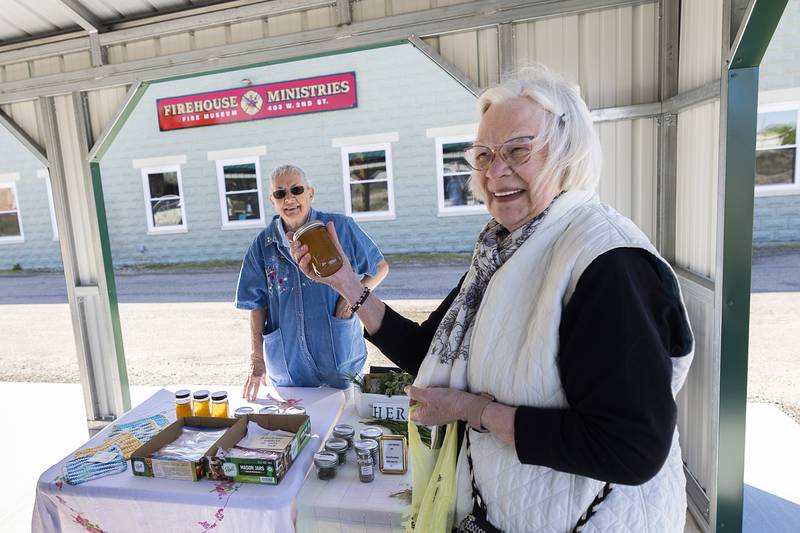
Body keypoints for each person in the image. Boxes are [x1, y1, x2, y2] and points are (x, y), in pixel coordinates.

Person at [291, 65, 694, 532]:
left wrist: (472, 412)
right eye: (483, 155)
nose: (496, 171)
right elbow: (430, 350)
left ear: (567, 155)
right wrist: (347, 285)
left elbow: (631, 447)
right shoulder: (505, 250)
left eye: (518, 151)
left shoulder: (606, 262)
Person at [236, 164, 388, 399]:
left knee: (343, 425)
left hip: (339, 356)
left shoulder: (339, 228)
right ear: (272, 200)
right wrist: (257, 359)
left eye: (296, 190)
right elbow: (257, 305)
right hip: (288, 366)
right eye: (280, 193)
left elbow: (380, 268)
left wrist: (350, 301)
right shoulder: (262, 245)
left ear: (310, 193)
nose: (289, 199)